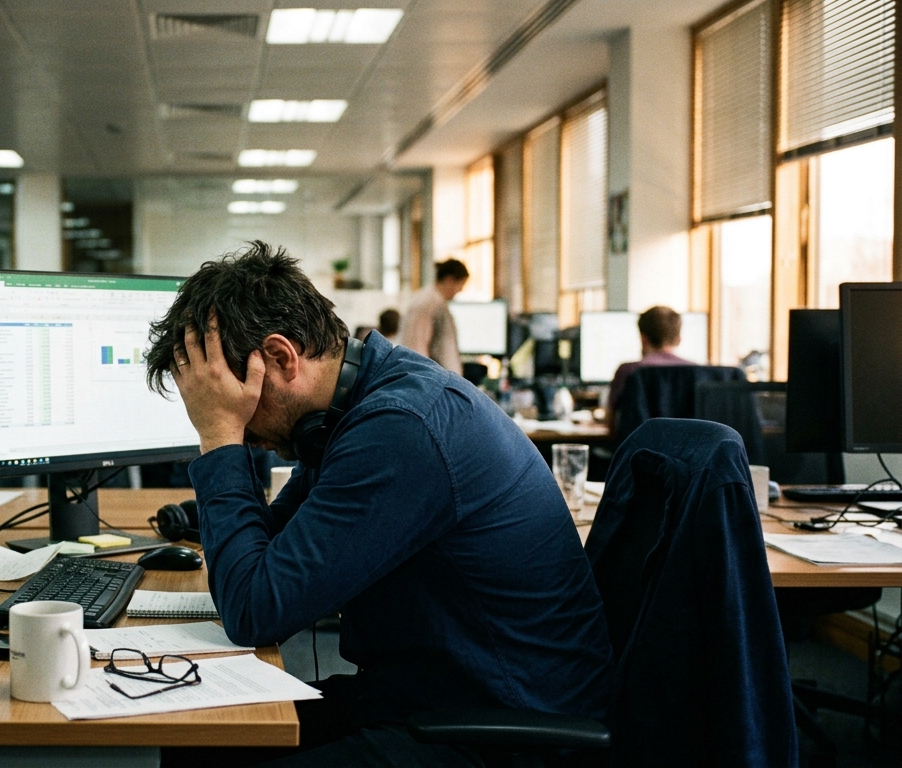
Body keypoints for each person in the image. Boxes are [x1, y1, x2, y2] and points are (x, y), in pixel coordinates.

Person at [146, 242, 611, 765]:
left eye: (230, 400)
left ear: (280, 358)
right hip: (432, 696)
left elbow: (255, 608)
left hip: (500, 729)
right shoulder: (361, 407)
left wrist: (220, 439)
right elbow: (271, 547)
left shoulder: (401, 428)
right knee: (193, 743)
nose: (242, 428)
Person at [605, 306, 694, 428]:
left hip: (640, 447)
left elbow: (612, 423)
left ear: (643, 339)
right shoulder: (700, 373)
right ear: (678, 340)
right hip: (690, 446)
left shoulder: (629, 371)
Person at [402, 258, 469, 374]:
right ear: (449, 280)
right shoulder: (427, 303)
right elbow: (416, 348)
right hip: (427, 380)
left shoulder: (436, 302)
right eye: (460, 285)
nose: (460, 291)